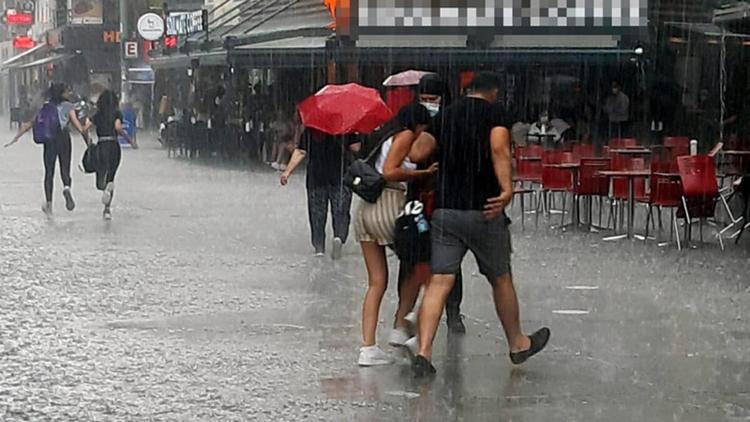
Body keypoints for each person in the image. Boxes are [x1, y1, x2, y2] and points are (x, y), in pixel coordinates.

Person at [408, 72, 550, 376]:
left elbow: (416, 151)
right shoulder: (495, 113)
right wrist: (506, 189)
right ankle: (517, 344)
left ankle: (424, 352)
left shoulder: (446, 115)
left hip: (446, 210)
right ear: (494, 92)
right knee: (500, 277)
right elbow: (499, 148)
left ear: (467, 90)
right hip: (485, 209)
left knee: (441, 280)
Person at [353, 103, 436, 366]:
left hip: (365, 210)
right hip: (388, 204)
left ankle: (367, 348)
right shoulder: (405, 135)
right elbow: (390, 171)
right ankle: (405, 324)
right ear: (418, 123)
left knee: (377, 282)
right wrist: (422, 172)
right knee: (424, 262)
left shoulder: (383, 136)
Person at [5, 83, 90, 216]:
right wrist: (87, 139)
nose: (69, 93)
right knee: (65, 167)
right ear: (62, 93)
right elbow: (77, 125)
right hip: (64, 138)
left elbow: (31, 123)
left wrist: (16, 137)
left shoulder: (45, 106)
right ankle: (66, 188)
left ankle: (49, 204)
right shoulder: (69, 106)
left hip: (49, 140)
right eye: (67, 91)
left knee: (49, 171)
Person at [280, 126, 359, 258]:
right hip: (340, 175)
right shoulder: (346, 127)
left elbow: (300, 151)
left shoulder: (312, 129)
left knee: (317, 213)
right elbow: (356, 148)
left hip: (316, 177)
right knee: (341, 210)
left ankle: (319, 248)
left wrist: (287, 172)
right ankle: (339, 236)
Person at [90, 90, 138, 220]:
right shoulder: (117, 113)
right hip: (114, 146)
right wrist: (130, 141)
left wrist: (88, 141)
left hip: (101, 145)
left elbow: (85, 127)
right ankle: (107, 210)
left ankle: (103, 187)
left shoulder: (97, 114)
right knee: (111, 177)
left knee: (101, 175)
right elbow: (118, 128)